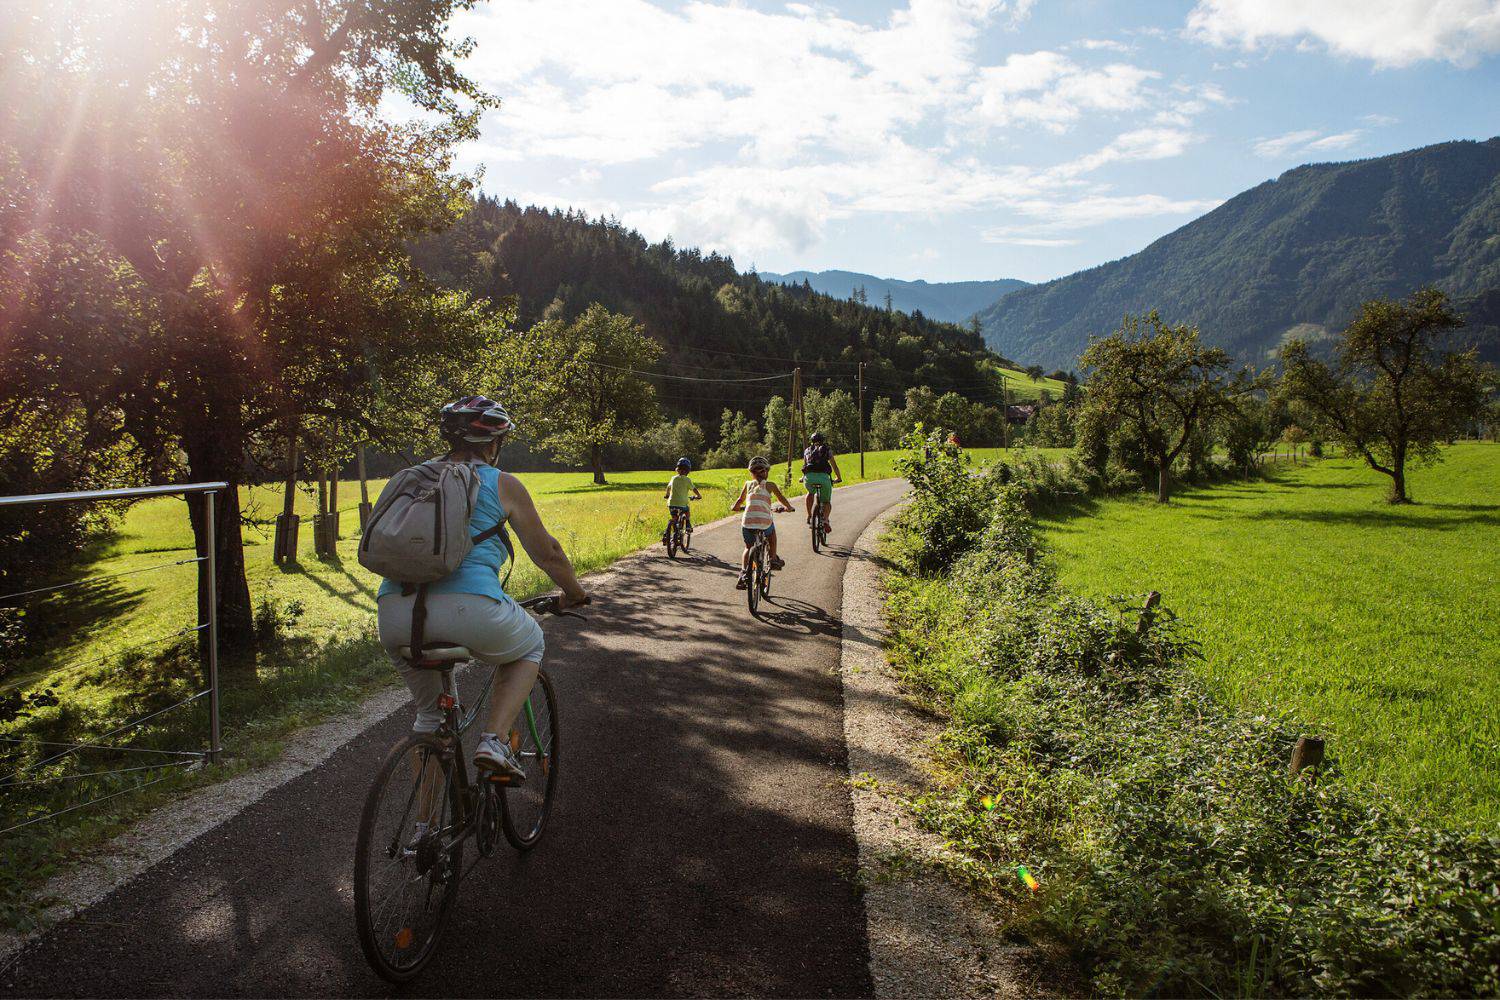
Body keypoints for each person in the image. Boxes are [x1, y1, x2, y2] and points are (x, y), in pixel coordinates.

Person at [376, 396, 588, 781]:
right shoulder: (501, 482)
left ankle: (423, 835)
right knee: (531, 644)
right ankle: (494, 739)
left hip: (395, 613)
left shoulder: (407, 478)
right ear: (494, 444)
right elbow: (550, 554)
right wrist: (574, 593)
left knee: (430, 717)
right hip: (470, 610)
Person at [731, 455, 792, 589]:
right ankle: (773, 558)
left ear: (751, 473)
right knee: (772, 535)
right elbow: (781, 498)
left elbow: (740, 501)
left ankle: (743, 573)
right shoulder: (770, 485)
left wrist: (735, 508)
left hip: (747, 522)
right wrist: (789, 507)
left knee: (748, 547)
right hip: (764, 522)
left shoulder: (747, 485)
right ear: (767, 471)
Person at [801, 431, 842, 533]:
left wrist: (803, 478)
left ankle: (810, 516)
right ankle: (825, 520)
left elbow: (805, 466)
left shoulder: (807, 450)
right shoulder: (826, 450)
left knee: (810, 493)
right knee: (826, 502)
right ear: (822, 440)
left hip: (809, 478)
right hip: (824, 478)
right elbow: (834, 466)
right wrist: (838, 478)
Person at [661, 457, 701, 546]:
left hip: (671, 503)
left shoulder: (673, 478)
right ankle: (687, 525)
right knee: (687, 510)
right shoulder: (687, 480)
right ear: (688, 471)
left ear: (677, 469)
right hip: (683, 503)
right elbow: (694, 489)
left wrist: (667, 495)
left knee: (674, 518)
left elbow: (668, 488)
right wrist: (698, 496)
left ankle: (666, 535)